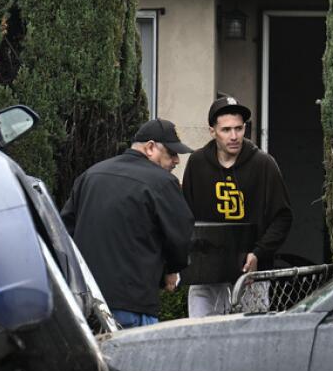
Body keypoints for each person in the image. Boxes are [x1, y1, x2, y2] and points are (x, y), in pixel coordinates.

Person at [61, 119, 195, 328]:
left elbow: (63, 233)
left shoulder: (91, 175)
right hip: (134, 303)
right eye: (171, 153)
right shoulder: (162, 182)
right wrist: (173, 269)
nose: (176, 161)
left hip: (86, 303)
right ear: (150, 147)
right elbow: (180, 235)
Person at [182, 95, 292, 316]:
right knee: (202, 339)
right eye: (226, 130)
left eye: (239, 129)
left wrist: (259, 253)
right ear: (212, 131)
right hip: (206, 275)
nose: (234, 136)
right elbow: (185, 215)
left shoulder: (263, 164)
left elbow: (282, 217)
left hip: (251, 275)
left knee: (249, 339)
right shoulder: (197, 163)